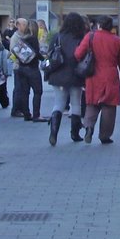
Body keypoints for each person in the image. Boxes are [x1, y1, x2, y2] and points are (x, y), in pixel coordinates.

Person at [75, 15, 120, 144]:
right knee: (109, 107)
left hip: (93, 76)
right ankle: (105, 135)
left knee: (92, 104)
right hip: (110, 76)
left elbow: (78, 54)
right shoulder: (117, 41)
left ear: (98, 25)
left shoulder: (90, 36)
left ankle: (88, 128)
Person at [46, 11, 88, 145]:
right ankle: (75, 134)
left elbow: (49, 54)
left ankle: (53, 133)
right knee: (75, 103)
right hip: (75, 74)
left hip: (57, 74)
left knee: (58, 103)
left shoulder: (57, 37)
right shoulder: (81, 38)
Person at [11, 18, 45, 122]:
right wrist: (43, 58)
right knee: (38, 91)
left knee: (25, 92)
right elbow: (36, 53)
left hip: (21, 68)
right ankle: (36, 115)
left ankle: (26, 114)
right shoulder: (33, 39)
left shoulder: (22, 39)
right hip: (32, 69)